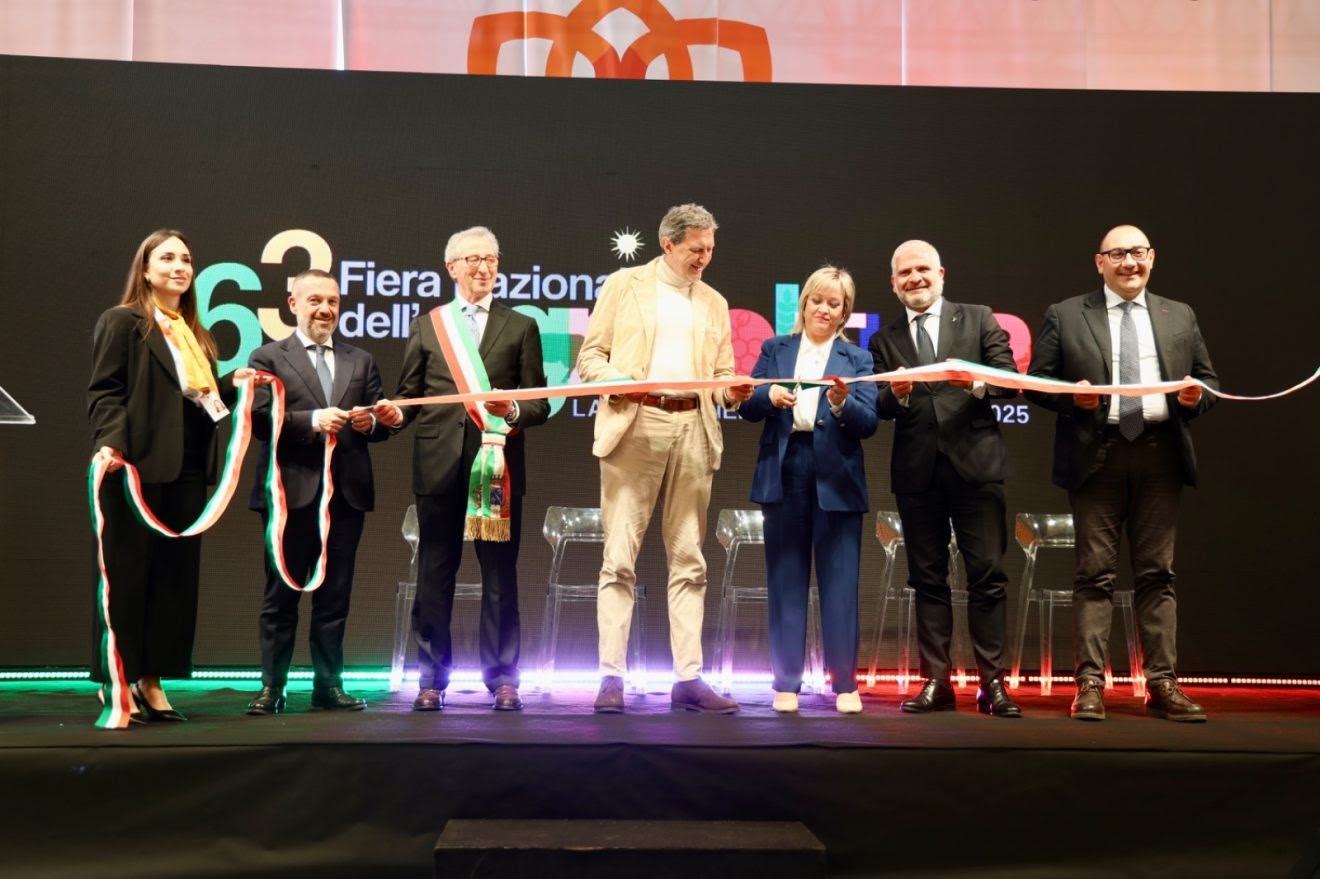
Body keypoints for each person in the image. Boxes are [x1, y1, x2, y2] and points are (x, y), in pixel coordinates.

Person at [1026, 224, 1218, 722]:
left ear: (1152, 258)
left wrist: (1194, 397)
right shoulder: (1067, 314)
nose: (1129, 262)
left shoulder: (1179, 314)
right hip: (1098, 455)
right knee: (1094, 574)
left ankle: (1162, 683)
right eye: (1118, 254)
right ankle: (1090, 684)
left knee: (1158, 573)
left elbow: (1208, 381)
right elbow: (1035, 383)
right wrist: (1072, 398)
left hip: (1160, 455)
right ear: (1100, 262)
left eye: (1137, 253)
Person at [577, 202, 754, 714]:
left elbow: (720, 376)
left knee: (690, 558)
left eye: (710, 250)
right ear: (668, 243)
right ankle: (611, 677)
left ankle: (688, 679)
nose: (704, 258)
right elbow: (590, 359)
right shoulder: (624, 285)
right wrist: (624, 383)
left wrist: (733, 391)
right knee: (619, 557)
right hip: (636, 424)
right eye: (696, 249)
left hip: (694, 428)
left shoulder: (715, 302)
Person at [88, 228, 261, 726]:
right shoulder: (123, 322)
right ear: (145, 270)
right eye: (166, 258)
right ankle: (117, 678)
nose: (179, 267)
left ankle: (154, 680)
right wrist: (111, 443)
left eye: (186, 259)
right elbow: (105, 390)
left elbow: (199, 401)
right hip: (133, 464)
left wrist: (233, 384)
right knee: (127, 576)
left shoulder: (196, 334)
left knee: (173, 580)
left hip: (186, 468)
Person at [381, 226, 548, 712]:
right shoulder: (428, 325)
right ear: (451, 267)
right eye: (473, 259)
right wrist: (395, 415)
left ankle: (503, 679)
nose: (483, 267)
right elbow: (409, 396)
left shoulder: (521, 326)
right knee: (435, 573)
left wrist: (511, 410)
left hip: (496, 465)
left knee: (500, 575)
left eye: (491, 259)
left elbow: (539, 403)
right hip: (438, 465)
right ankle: (431, 680)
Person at [869, 239, 1023, 718]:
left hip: (977, 467)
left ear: (941, 274)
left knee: (987, 576)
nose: (914, 278)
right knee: (927, 579)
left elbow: (1009, 380)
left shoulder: (977, 318)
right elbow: (878, 407)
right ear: (893, 284)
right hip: (917, 473)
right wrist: (895, 393)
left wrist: (973, 381)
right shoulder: (883, 339)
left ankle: (992, 684)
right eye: (904, 273)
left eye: (922, 269)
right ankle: (936, 681)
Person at [244, 269, 392, 715]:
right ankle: (272, 688)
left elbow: (379, 424)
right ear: (293, 304)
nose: (325, 309)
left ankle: (329, 686)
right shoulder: (267, 357)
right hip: (289, 495)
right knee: (280, 596)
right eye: (315, 301)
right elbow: (259, 418)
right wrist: (312, 420)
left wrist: (373, 421)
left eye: (332, 301)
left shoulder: (361, 360)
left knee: (335, 598)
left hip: (345, 497)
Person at [738, 266, 878, 714]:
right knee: (786, 579)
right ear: (804, 304)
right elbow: (747, 404)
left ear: (845, 312)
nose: (823, 309)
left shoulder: (858, 359)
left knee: (841, 582)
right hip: (785, 469)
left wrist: (841, 403)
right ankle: (786, 683)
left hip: (837, 475)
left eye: (833, 304)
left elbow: (869, 422)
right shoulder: (774, 349)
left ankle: (845, 685)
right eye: (817, 300)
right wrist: (769, 395)